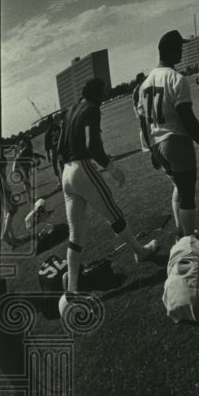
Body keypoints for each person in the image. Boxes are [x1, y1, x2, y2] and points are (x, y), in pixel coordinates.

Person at [58, 77, 160, 315]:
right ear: (96, 93)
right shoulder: (91, 109)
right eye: (103, 93)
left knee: (76, 234)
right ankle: (139, 251)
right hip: (82, 169)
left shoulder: (70, 110)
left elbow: (62, 148)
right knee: (114, 215)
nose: (104, 97)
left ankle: (72, 291)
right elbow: (92, 145)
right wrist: (113, 169)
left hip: (66, 173)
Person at [138, 29, 199, 240]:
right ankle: (188, 244)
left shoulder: (144, 84)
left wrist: (152, 151)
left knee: (178, 187)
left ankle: (182, 233)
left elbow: (144, 121)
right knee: (188, 193)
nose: (182, 51)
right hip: (175, 141)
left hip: (157, 143)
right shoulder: (176, 78)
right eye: (180, 47)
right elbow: (187, 118)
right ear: (170, 50)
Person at [131, 72, 150, 152]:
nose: (145, 78)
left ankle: (147, 143)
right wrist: (137, 113)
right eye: (143, 77)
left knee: (146, 126)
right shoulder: (137, 89)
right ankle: (143, 146)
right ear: (140, 79)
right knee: (142, 128)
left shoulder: (143, 86)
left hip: (143, 108)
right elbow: (134, 102)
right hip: (139, 109)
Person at [44, 117, 62, 186]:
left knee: (55, 165)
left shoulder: (47, 132)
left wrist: (48, 155)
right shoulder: (57, 127)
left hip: (53, 149)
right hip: (59, 147)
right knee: (61, 163)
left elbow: (47, 146)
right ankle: (64, 176)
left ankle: (59, 180)